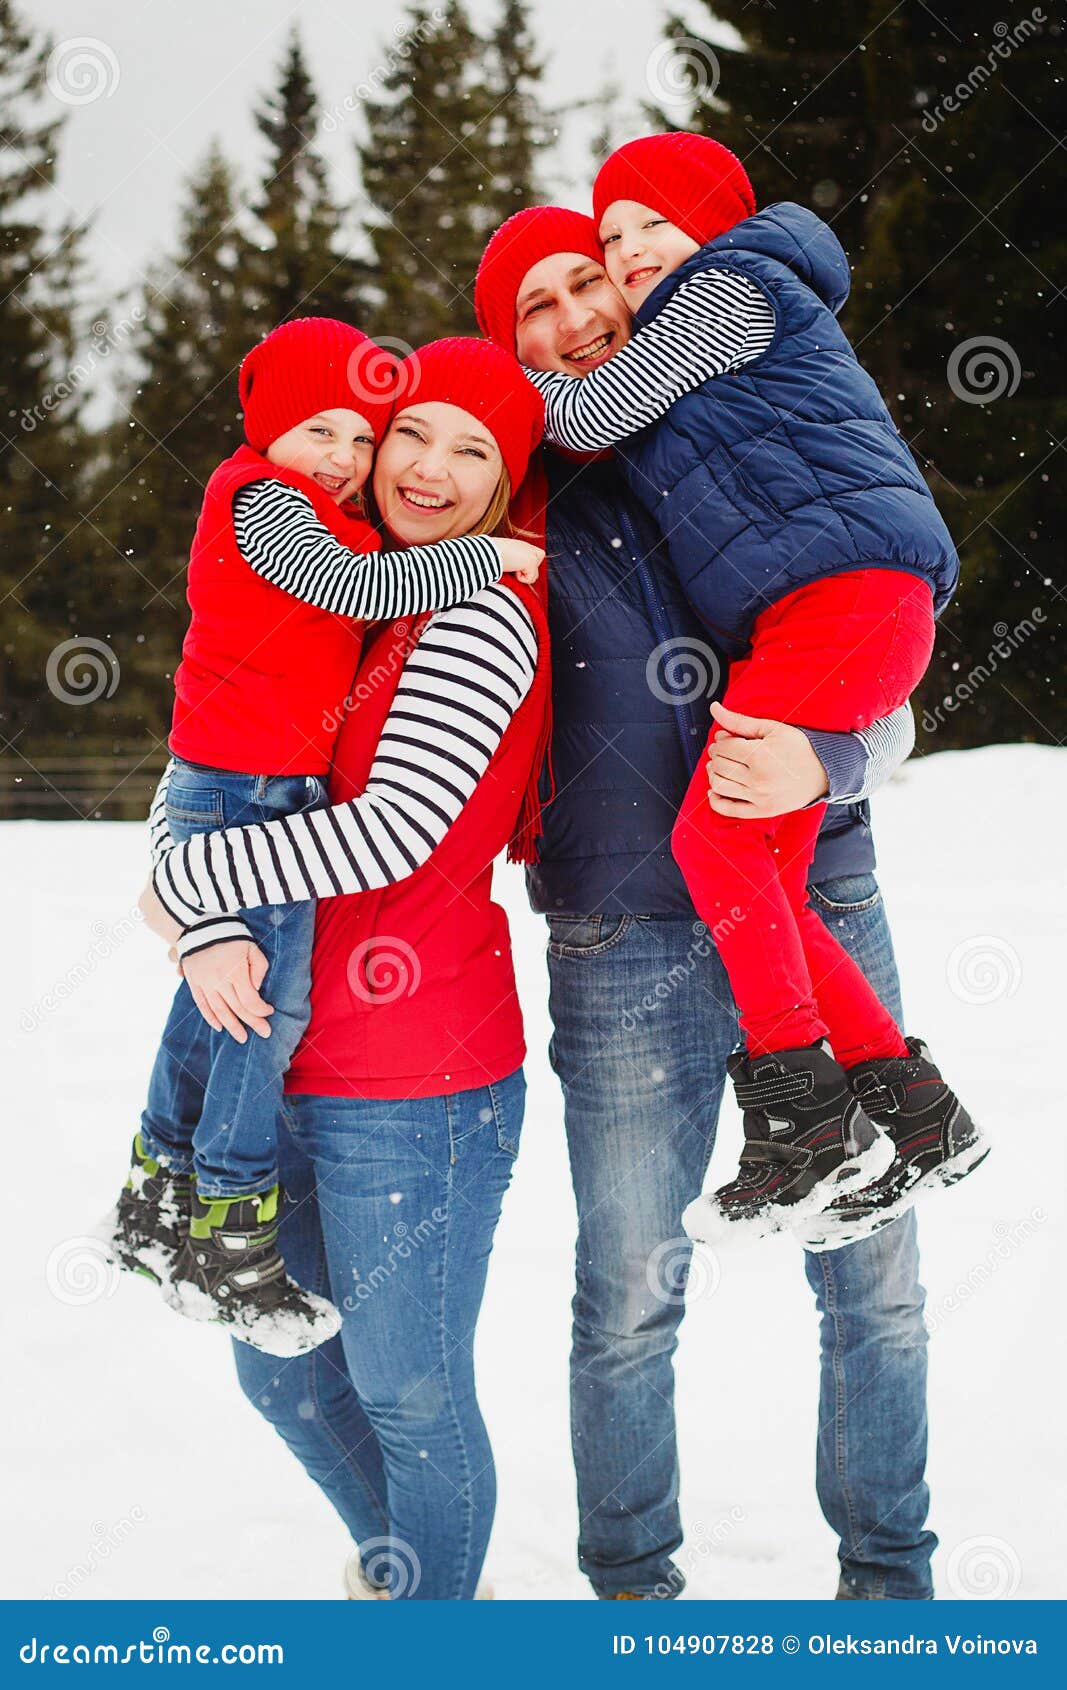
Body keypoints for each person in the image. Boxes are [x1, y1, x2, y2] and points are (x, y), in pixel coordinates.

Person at [475, 204, 938, 1599]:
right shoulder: (517, 501)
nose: (567, 319)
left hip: (812, 881)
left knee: (874, 1273)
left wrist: (833, 748)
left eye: (582, 286)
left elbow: (881, 649)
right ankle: (629, 1589)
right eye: (530, 311)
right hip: (619, 924)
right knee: (626, 1285)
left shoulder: (721, 414)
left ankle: (887, 1575)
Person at [518, 134, 987, 1245]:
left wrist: (490, 388)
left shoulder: (731, 287)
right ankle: (912, 1114)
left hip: (849, 596)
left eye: (648, 228)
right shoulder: (699, 331)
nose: (630, 252)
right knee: (746, 865)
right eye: (611, 235)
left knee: (718, 846)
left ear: (713, 224)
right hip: (823, 606)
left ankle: (801, 1110)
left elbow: (584, 416)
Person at [138, 338, 551, 1600]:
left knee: (410, 1388)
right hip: (288, 1040)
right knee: (276, 1367)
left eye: (470, 450)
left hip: (417, 1070)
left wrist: (181, 889)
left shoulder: (477, 611)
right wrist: (196, 903)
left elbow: (394, 828)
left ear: (504, 482)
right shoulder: (335, 582)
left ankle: (430, 1627)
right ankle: (409, 1578)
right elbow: (199, 760)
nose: (424, 467)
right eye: (405, 434)